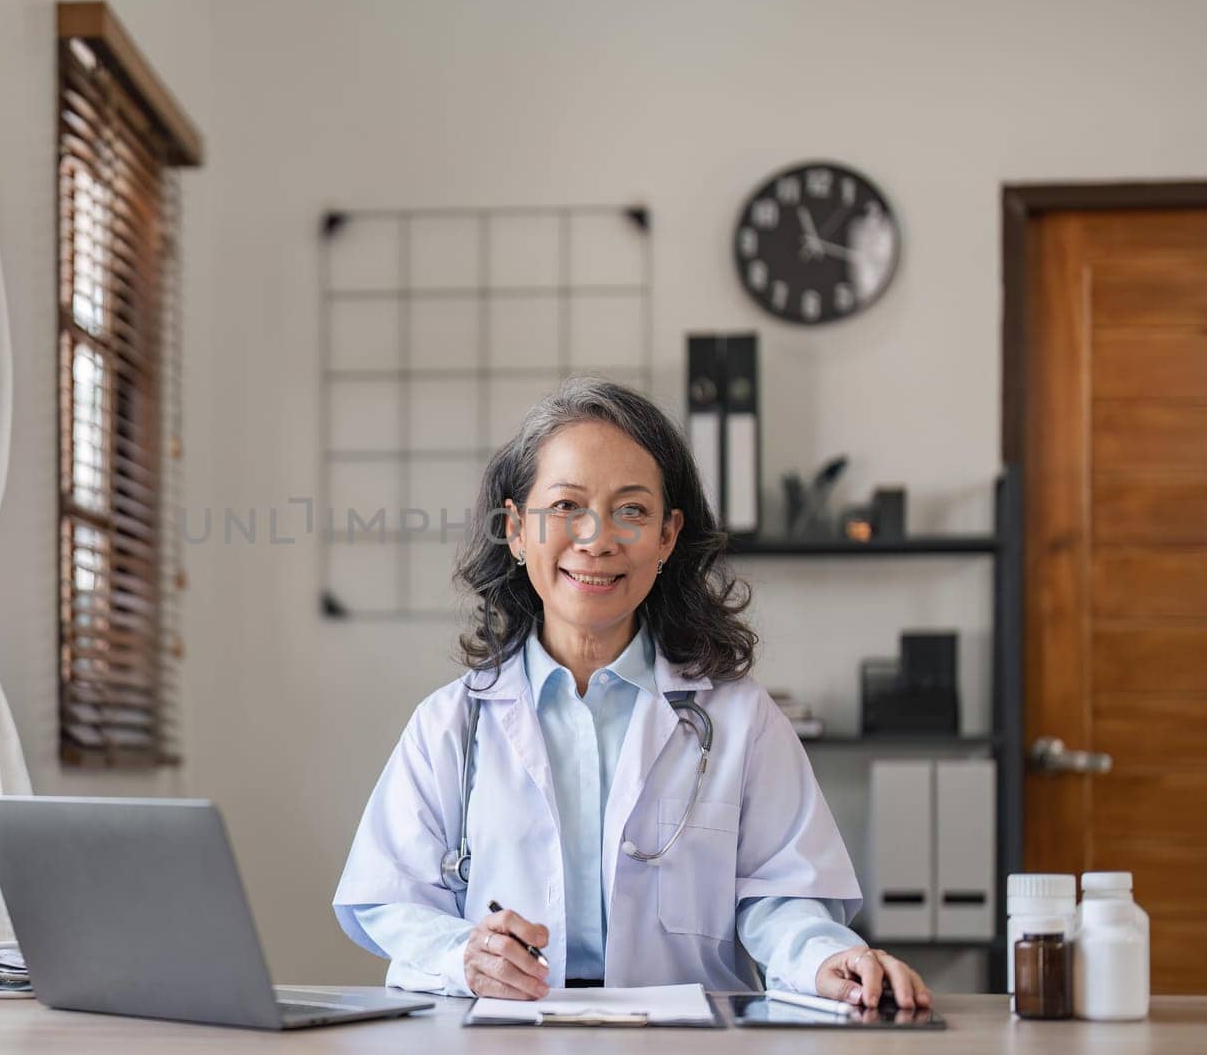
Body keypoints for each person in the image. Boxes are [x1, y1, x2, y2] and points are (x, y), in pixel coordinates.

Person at [333, 377, 932, 1008]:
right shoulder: (452, 723)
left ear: (668, 537)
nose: (598, 539)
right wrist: (464, 957)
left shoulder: (738, 717)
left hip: (687, 1041)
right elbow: (391, 899)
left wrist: (824, 959)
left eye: (632, 510)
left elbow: (780, 895)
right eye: (566, 506)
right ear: (515, 529)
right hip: (509, 1036)